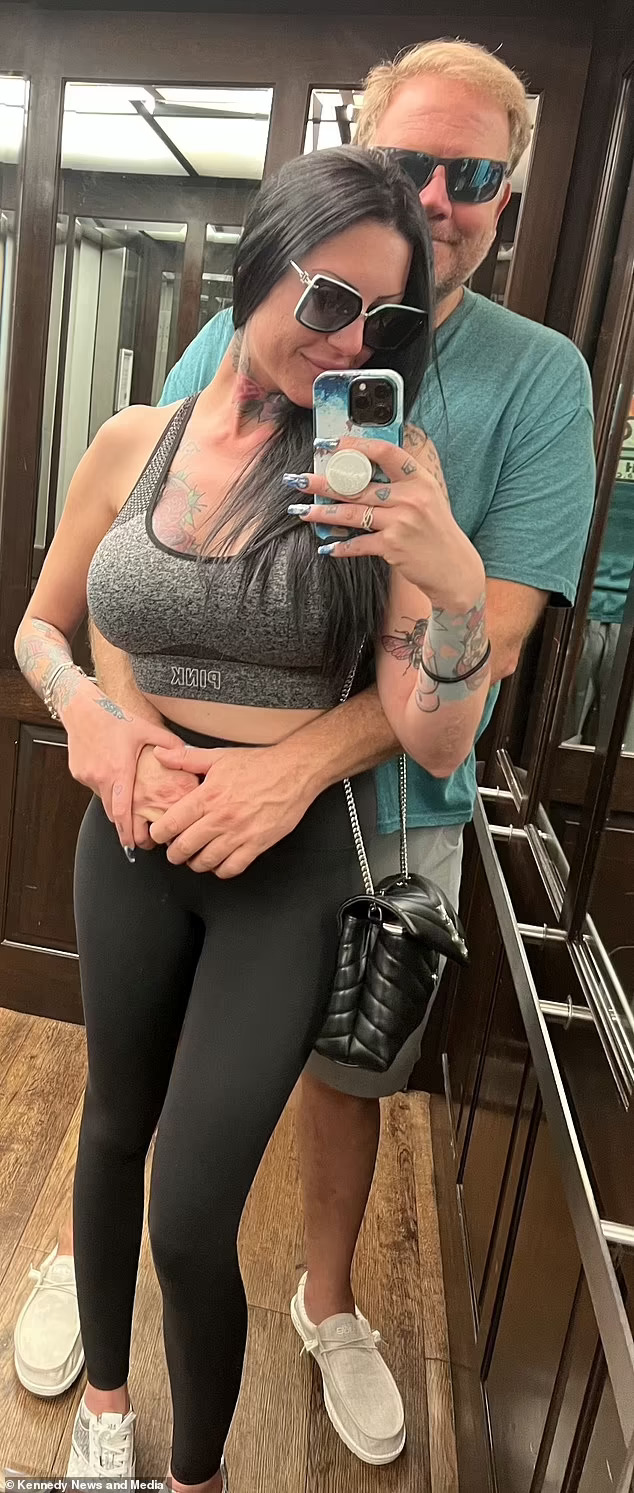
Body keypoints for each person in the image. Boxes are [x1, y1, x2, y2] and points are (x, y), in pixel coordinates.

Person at [13, 36, 596, 1476]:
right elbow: (115, 588)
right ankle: (103, 1365)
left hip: (347, 822)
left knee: (305, 1115)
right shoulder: (179, 403)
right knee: (119, 1119)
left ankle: (310, 1321)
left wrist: (441, 587)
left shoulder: (485, 412)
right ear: (264, 267)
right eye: (325, 298)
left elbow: (461, 689)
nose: (347, 344)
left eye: (474, 178)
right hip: (143, 819)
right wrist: (107, 720)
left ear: (506, 196)